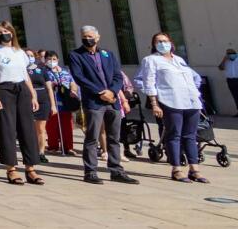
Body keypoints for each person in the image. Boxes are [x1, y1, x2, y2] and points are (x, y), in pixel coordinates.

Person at [68, 25, 138, 185]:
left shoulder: (108, 54)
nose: (87, 38)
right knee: (92, 138)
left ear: (97, 37)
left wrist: (112, 92)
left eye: (90, 36)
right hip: (94, 102)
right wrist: (101, 92)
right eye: (84, 36)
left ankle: (116, 170)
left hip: (113, 102)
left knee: (114, 137)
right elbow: (79, 78)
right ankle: (90, 171)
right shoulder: (75, 55)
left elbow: (117, 75)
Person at [137, 32, 208, 183]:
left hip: (191, 102)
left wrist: (196, 94)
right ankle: (176, 169)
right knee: (174, 135)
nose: (163, 43)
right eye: (158, 41)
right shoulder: (151, 60)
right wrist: (155, 103)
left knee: (190, 135)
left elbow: (192, 78)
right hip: (171, 102)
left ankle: (194, 168)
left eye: (165, 40)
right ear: (154, 45)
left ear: (171, 43)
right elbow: (149, 82)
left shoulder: (179, 59)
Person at [0, 21, 43, 185]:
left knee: (27, 129)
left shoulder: (20, 52)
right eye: (1, 31)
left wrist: (33, 95)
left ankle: (30, 168)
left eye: (7, 30)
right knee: (7, 129)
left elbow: (25, 75)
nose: (4, 33)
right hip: (4, 90)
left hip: (21, 90)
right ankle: (11, 169)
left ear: (12, 32)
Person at [43, 51, 79, 156]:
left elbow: (72, 82)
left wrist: (73, 90)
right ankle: (53, 146)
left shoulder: (64, 71)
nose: (51, 61)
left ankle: (68, 147)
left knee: (67, 126)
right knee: (52, 126)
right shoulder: (43, 72)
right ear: (45, 60)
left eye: (54, 59)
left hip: (65, 102)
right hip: (52, 102)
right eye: (49, 59)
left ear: (58, 60)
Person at [26, 49, 57, 165]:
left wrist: (53, 105)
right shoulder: (21, 70)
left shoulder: (42, 69)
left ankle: (41, 153)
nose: (29, 57)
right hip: (28, 101)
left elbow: (49, 88)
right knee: (30, 129)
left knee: (41, 129)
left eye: (31, 55)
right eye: (26, 55)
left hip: (43, 101)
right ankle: (31, 152)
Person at [220, 48, 238, 117]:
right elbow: (220, 68)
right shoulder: (226, 61)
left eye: (230, 54)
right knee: (235, 96)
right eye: (227, 54)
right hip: (230, 81)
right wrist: (224, 60)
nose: (229, 55)